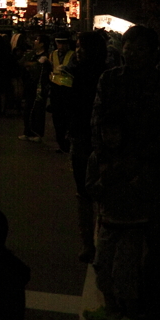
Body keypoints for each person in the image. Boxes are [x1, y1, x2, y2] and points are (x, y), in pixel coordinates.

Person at [83, 25, 160, 320]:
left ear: (154, 53)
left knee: (157, 245)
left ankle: (157, 312)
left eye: (140, 49)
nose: (132, 53)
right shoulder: (109, 79)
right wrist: (107, 165)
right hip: (115, 173)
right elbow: (97, 123)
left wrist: (131, 165)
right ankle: (117, 307)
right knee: (112, 241)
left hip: (149, 175)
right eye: (129, 46)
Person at [66, 31, 107, 261]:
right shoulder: (74, 72)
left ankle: (97, 242)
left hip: (100, 141)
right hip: (80, 137)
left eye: (82, 47)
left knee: (97, 191)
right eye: (77, 46)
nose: (78, 50)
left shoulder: (106, 75)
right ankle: (87, 244)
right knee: (82, 192)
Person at [18, 33, 51, 140]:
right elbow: (22, 63)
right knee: (28, 108)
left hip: (40, 86)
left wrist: (31, 65)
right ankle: (27, 131)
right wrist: (32, 64)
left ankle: (37, 133)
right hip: (29, 84)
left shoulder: (46, 56)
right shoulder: (32, 54)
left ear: (42, 44)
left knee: (38, 109)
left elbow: (37, 68)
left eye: (37, 40)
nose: (34, 42)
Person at [48, 33, 75, 152]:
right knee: (57, 117)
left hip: (68, 90)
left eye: (63, 43)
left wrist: (67, 70)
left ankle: (66, 143)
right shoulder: (52, 54)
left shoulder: (72, 55)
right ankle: (61, 143)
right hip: (55, 89)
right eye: (59, 43)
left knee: (66, 118)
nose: (61, 46)